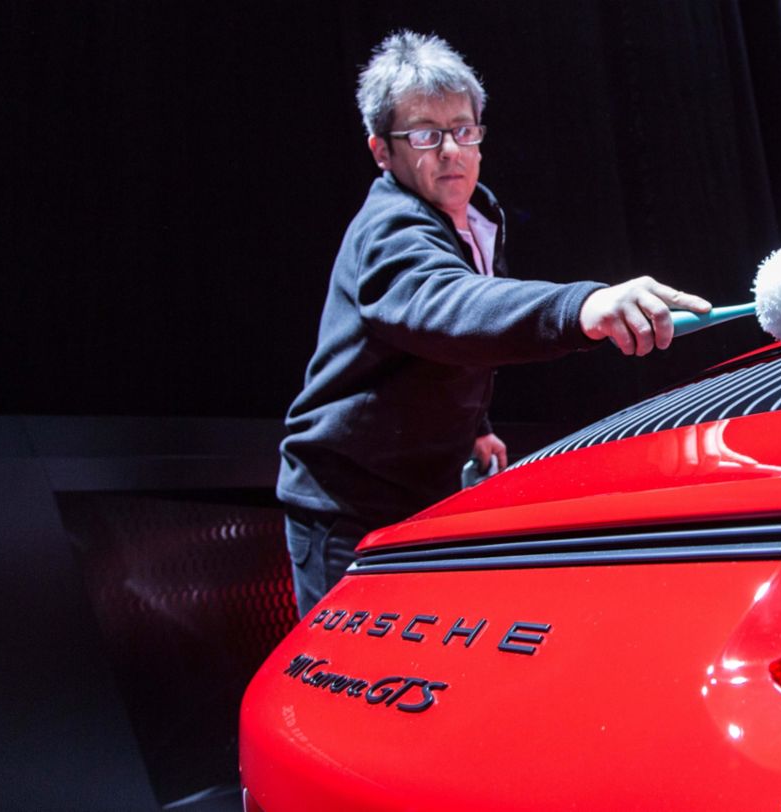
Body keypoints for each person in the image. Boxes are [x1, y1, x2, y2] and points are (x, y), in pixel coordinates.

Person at [277, 30, 710, 616]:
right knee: (347, 680)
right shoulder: (390, 229)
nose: (452, 150)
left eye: (463, 129)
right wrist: (579, 308)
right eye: (426, 136)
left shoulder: (477, 212)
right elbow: (444, 305)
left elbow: (458, 336)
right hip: (346, 504)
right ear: (383, 151)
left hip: (418, 490)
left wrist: (475, 424)